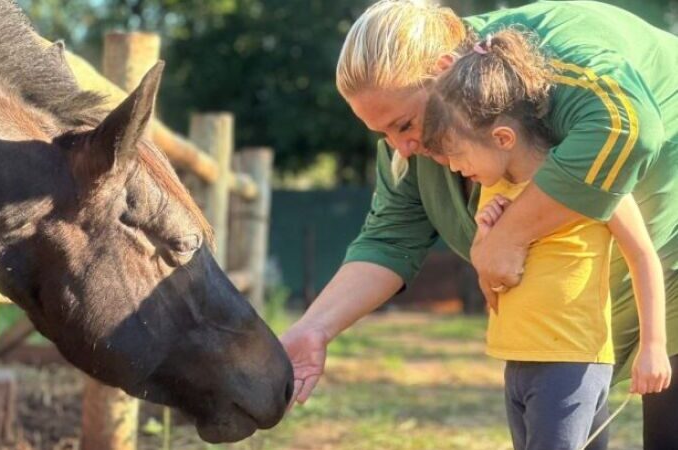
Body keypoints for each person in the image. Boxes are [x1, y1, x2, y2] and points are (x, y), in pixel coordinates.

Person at [280, 1, 678, 448]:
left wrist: (505, 238)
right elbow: (389, 240)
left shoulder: (548, 62)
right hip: (561, 332)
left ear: (445, 70)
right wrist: (314, 328)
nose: (401, 148)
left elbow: (629, 129)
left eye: (403, 124)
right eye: (383, 134)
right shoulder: (415, 145)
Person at [420, 28, 671, 449]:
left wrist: (654, 345)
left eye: (458, 154)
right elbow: (492, 277)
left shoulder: (590, 181)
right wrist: (486, 232)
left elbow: (643, 255)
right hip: (518, 363)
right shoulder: (494, 188)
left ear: (502, 138)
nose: (454, 167)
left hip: (571, 363)